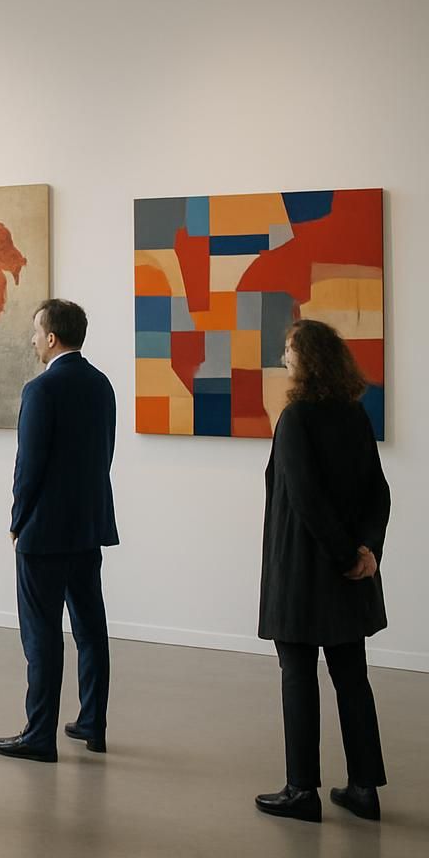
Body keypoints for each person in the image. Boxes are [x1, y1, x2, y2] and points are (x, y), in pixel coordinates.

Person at [254, 319, 390, 823]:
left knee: (298, 676)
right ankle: (364, 788)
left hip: (304, 574)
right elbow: (380, 491)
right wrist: (365, 552)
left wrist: (341, 555)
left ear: (307, 358)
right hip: (348, 573)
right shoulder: (354, 415)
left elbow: (306, 500)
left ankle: (301, 790)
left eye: (289, 349)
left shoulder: (297, 419)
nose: (284, 356)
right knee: (353, 678)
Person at [0, 299, 117, 763]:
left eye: (35, 331)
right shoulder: (102, 385)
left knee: (41, 634)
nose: (31, 340)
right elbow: (104, 454)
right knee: (90, 628)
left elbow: (30, 467)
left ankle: (39, 734)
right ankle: (93, 723)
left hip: (44, 531)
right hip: (88, 524)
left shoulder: (41, 389)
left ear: (51, 337)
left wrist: (17, 520)